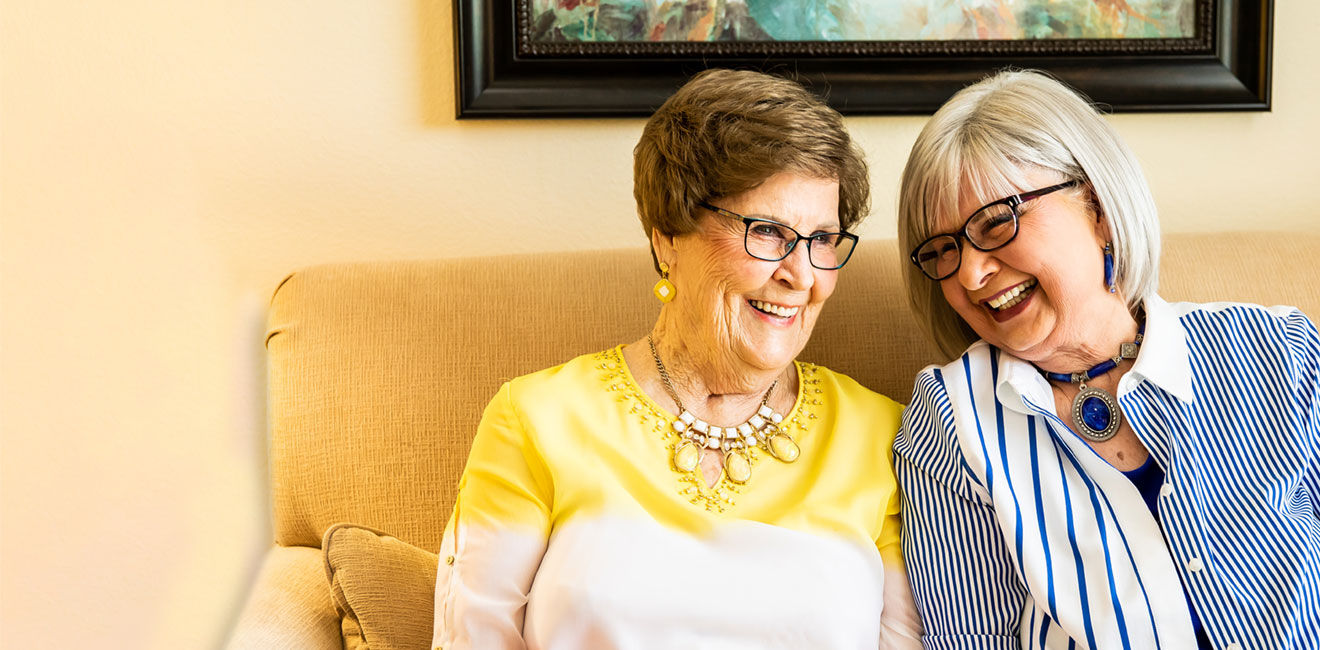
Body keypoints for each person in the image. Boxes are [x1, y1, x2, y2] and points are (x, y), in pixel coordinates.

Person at [432, 68, 922, 649]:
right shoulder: (538, 418)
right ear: (667, 235)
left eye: (822, 239)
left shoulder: (885, 435)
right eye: (767, 231)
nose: (801, 275)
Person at [893, 69, 1320, 649]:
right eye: (943, 250)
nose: (970, 274)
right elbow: (973, 638)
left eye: (996, 222)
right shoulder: (951, 417)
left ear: (1095, 206)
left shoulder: (1280, 351)